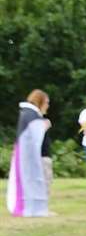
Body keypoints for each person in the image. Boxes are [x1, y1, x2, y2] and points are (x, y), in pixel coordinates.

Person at [8, 89, 52, 217]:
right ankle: (39, 209)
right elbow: (34, 138)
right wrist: (45, 126)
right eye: (46, 102)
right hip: (40, 156)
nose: (48, 106)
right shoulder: (32, 115)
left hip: (39, 155)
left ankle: (39, 208)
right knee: (43, 181)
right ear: (40, 102)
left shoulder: (28, 114)